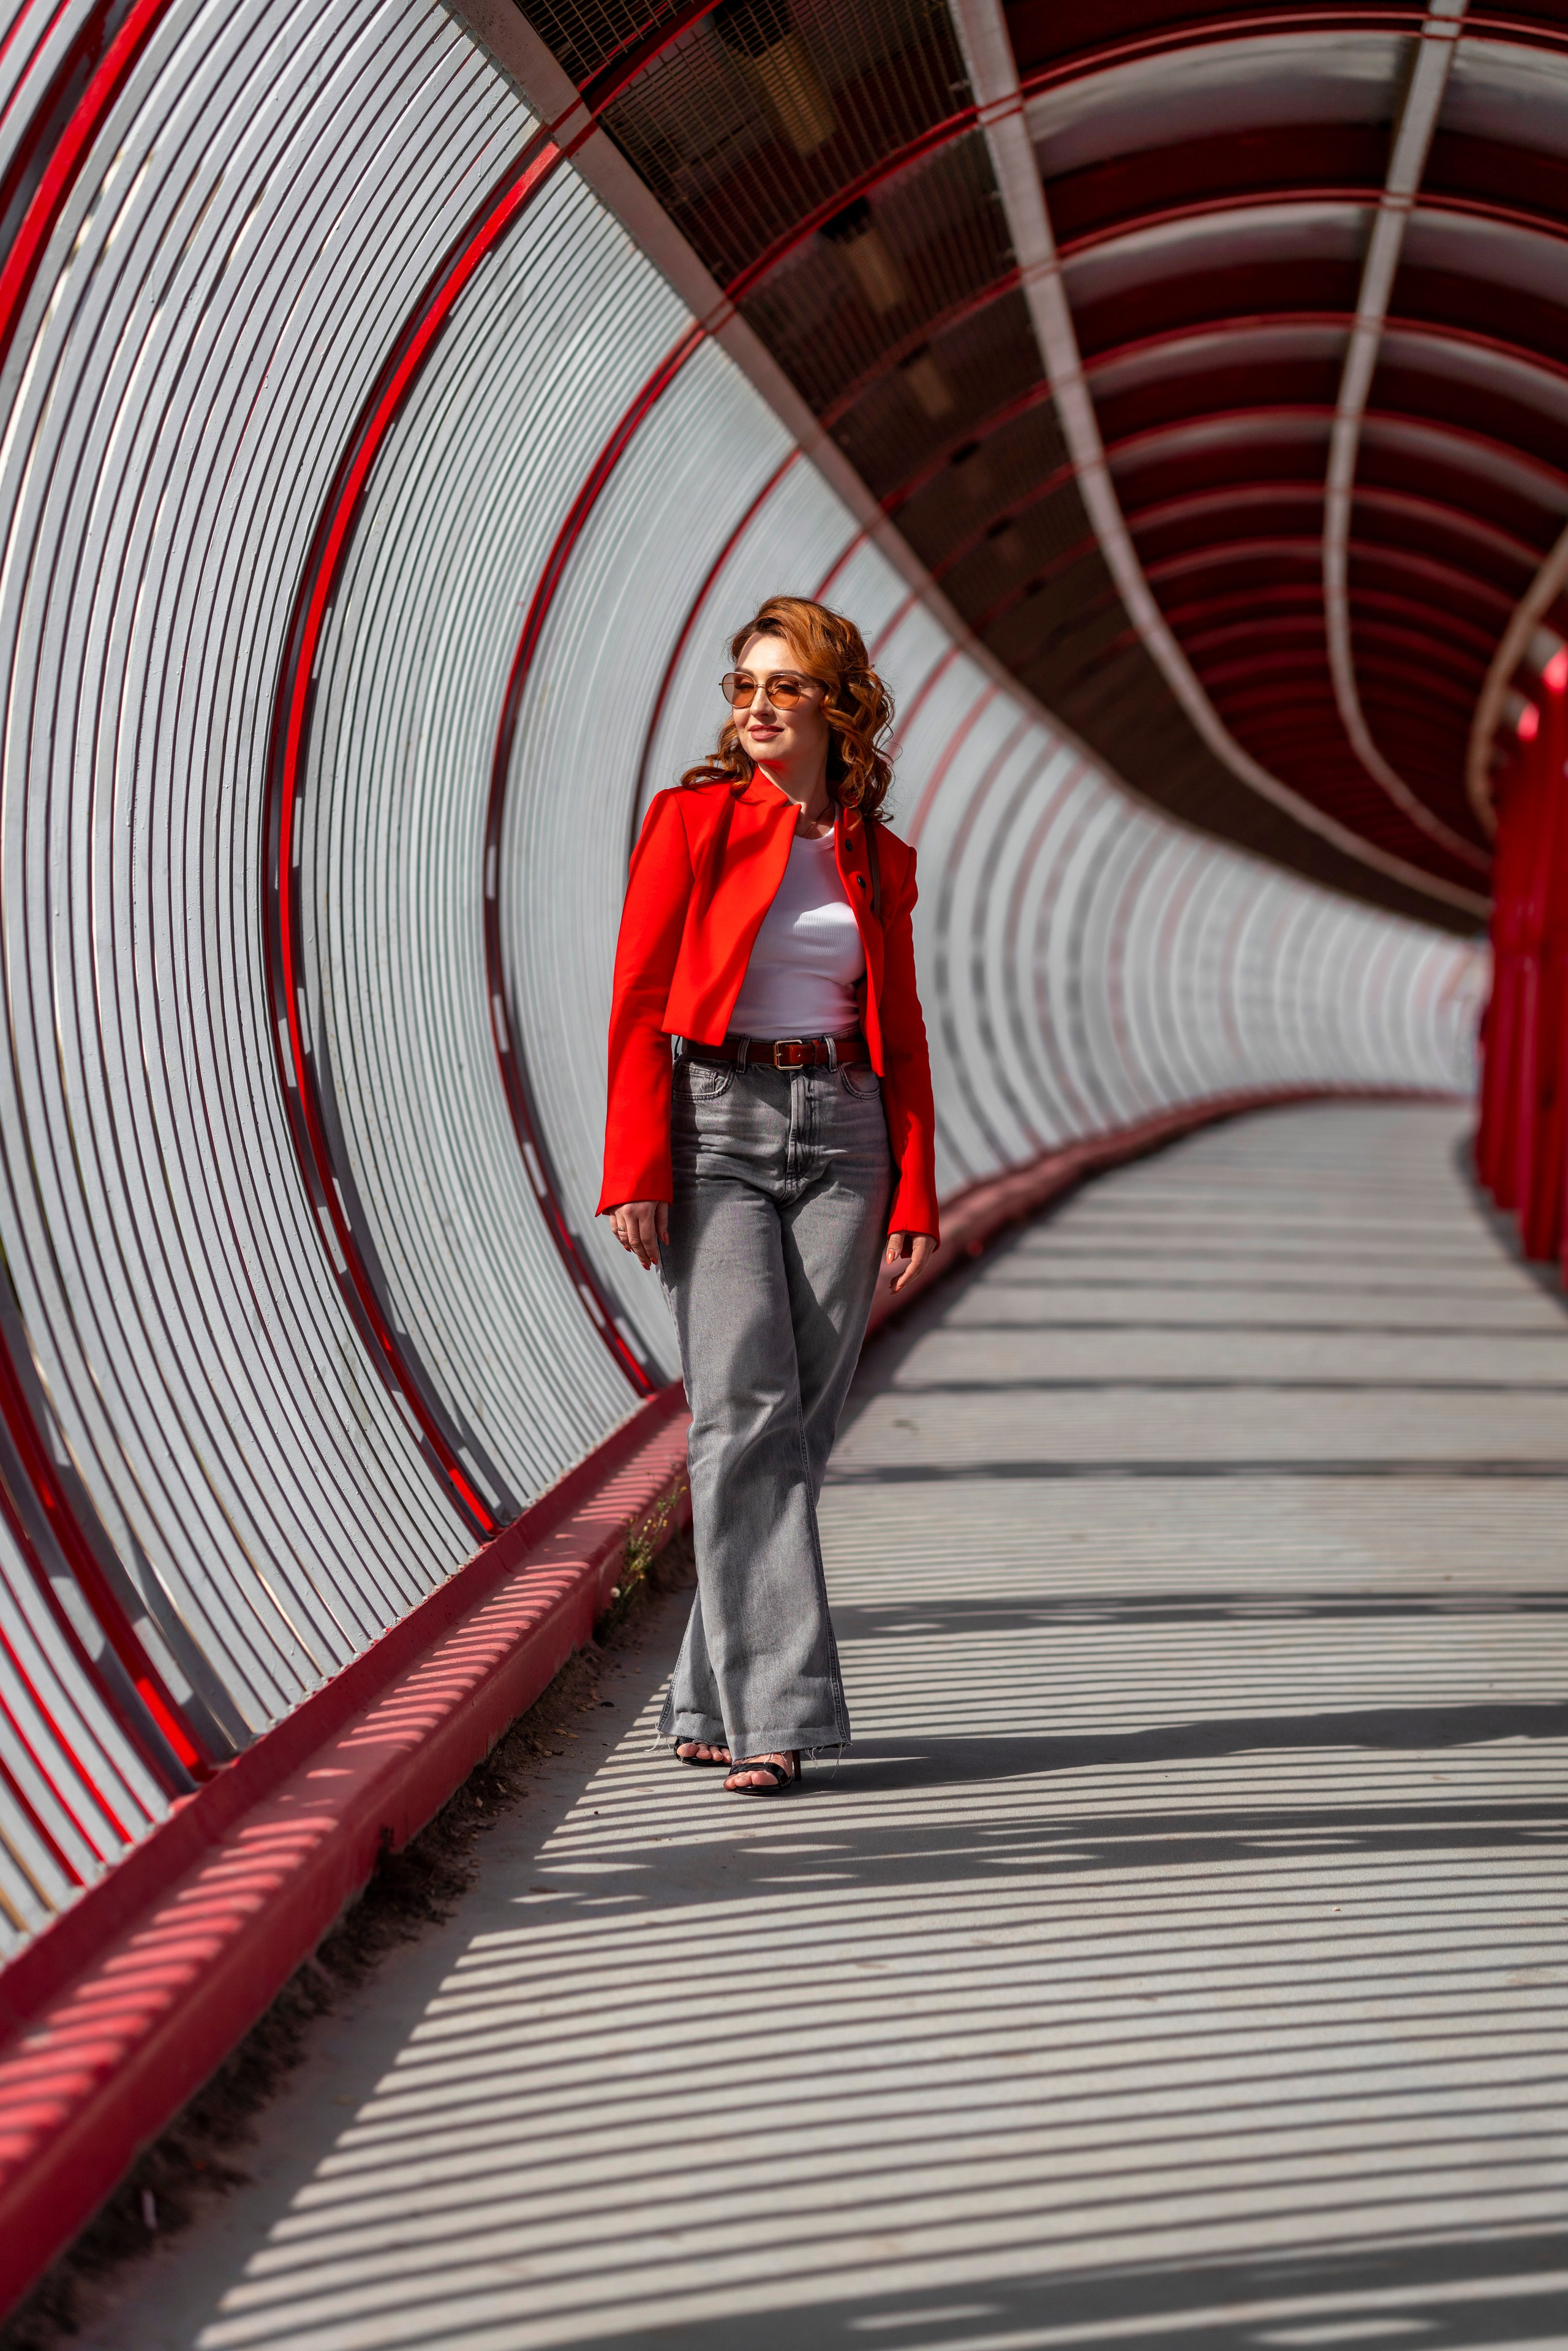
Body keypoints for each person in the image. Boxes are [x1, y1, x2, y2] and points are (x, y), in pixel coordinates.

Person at [598, 596, 939, 1793]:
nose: (753, 704)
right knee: (739, 1410)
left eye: (781, 685)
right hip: (715, 1131)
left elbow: (898, 1028)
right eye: (743, 683)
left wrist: (914, 1192)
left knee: (788, 1429)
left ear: (833, 704)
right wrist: (633, 1167)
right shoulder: (689, 823)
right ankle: (780, 1711)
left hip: (846, 1137)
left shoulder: (875, 856)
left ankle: (703, 1690)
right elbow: (639, 1001)